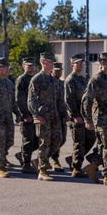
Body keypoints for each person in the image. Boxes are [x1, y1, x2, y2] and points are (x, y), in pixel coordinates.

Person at [81, 51, 107, 186]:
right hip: (103, 119)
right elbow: (87, 100)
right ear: (103, 62)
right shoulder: (96, 79)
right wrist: (87, 120)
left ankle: (93, 167)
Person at [27, 52, 68, 181]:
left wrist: (64, 114)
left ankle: (39, 161)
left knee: (58, 140)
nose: (52, 64)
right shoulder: (37, 79)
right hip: (43, 117)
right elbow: (31, 100)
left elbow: (60, 100)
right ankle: (42, 171)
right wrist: (36, 115)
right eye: (50, 61)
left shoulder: (53, 80)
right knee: (44, 143)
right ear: (43, 62)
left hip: (55, 117)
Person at [64, 54, 96, 178]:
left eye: (82, 62)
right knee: (79, 142)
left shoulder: (83, 79)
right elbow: (68, 100)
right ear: (72, 65)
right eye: (78, 63)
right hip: (76, 117)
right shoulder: (70, 80)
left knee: (91, 139)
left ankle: (74, 159)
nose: (81, 65)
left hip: (86, 116)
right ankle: (76, 168)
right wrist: (75, 115)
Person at [14, 57, 37, 172]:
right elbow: (19, 99)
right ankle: (26, 164)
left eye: (32, 65)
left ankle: (22, 155)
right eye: (28, 65)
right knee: (28, 140)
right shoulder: (22, 79)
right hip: (27, 116)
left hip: (36, 115)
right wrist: (24, 114)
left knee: (37, 140)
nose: (30, 67)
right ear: (23, 67)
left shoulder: (36, 78)